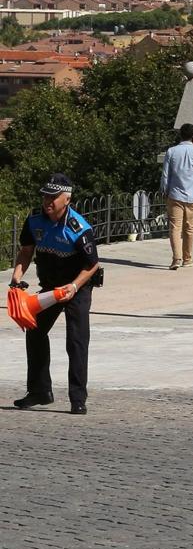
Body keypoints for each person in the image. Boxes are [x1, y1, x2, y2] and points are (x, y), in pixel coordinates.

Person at [10, 174, 102, 415]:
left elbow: (92, 263)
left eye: (53, 196)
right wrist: (16, 277)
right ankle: (40, 391)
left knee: (76, 341)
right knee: (35, 330)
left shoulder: (78, 227)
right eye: (45, 195)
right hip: (51, 287)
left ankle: (77, 398)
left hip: (77, 288)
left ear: (67, 199)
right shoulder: (35, 220)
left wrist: (74, 286)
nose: (47, 200)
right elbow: (26, 251)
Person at [160, 123, 193, 270]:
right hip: (192, 195)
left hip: (175, 194)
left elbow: (165, 174)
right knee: (189, 228)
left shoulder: (171, 151)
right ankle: (188, 258)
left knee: (175, 227)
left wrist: (164, 190)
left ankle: (176, 259)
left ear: (180, 135)